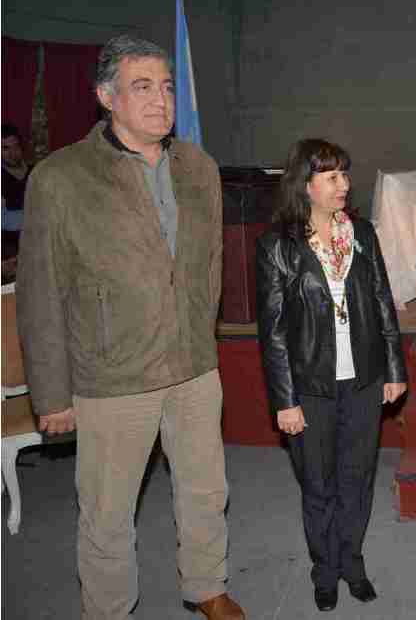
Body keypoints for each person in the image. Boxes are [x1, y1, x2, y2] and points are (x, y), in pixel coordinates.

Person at [16, 36, 244, 620]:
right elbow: (40, 293)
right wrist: (52, 394)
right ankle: (109, 610)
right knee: (108, 513)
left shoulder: (200, 167)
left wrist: (204, 340)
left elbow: (210, 266)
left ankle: (207, 585)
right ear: (105, 97)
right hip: (111, 378)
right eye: (142, 87)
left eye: (167, 86)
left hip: (193, 368)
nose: (160, 100)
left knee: (205, 492)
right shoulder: (62, 177)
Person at [256, 139, 408, 612]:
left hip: (363, 381)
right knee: (318, 483)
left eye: (344, 174)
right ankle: (324, 570)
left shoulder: (361, 233)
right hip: (310, 388)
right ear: (306, 185)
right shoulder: (278, 246)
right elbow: (274, 331)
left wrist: (394, 369)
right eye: (332, 177)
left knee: (357, 478)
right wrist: (285, 401)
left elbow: (383, 302)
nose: (344, 185)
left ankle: (353, 562)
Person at [2, 123, 31, 281]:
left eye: (15, 146)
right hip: (10, 257)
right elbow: (2, 220)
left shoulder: (36, 171)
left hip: (39, 247)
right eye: (5, 148)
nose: (13, 153)